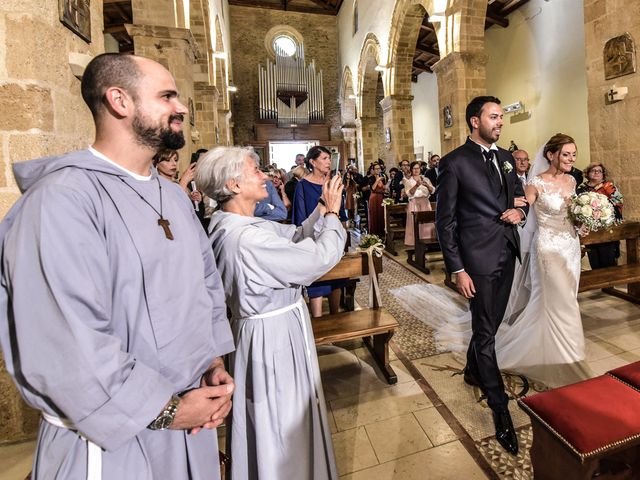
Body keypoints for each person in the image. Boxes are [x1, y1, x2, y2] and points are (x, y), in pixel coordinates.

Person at [0, 53, 235, 478]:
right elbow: (66, 342)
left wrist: (212, 364)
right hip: (112, 440)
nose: (180, 107)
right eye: (166, 96)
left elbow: (205, 286)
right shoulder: (62, 199)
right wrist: (166, 411)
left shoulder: (175, 196)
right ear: (119, 101)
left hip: (190, 419)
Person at [198, 146, 344, 480]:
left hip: (270, 330)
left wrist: (322, 208)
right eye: (255, 170)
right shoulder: (244, 239)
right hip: (273, 340)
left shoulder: (237, 224)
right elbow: (314, 260)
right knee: (282, 421)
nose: (265, 175)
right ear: (234, 184)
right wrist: (334, 217)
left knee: (285, 418)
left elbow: (292, 237)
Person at [436, 95, 527, 456]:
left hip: (507, 250)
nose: (500, 122)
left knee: (490, 323)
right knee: (486, 331)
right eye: (494, 116)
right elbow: (445, 223)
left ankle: (474, 370)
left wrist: (518, 214)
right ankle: (499, 407)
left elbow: (518, 197)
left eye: (501, 117)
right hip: (477, 260)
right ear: (475, 121)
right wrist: (457, 268)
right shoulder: (454, 163)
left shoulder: (505, 158)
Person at [496, 134, 591, 387]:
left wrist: (585, 221)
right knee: (561, 302)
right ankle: (569, 358)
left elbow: (572, 214)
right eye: (566, 154)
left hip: (570, 245)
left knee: (567, 299)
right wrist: (512, 208)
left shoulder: (572, 180)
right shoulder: (536, 182)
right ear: (551, 155)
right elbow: (525, 205)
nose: (571, 159)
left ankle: (553, 350)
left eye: (573, 154)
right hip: (548, 248)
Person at [292, 146, 346, 317]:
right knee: (317, 281)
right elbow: (300, 217)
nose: (329, 162)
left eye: (329, 158)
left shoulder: (331, 184)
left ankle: (335, 316)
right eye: (324, 158)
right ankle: (317, 320)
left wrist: (343, 234)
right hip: (313, 237)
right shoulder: (303, 186)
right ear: (312, 162)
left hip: (333, 232)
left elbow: (341, 211)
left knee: (337, 278)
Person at [577, 163, 624, 268]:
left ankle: (609, 284)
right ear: (588, 173)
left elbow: (618, 202)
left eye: (599, 171)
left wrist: (603, 210)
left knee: (608, 261)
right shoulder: (582, 187)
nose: (596, 173)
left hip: (606, 228)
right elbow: (578, 204)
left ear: (603, 174)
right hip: (589, 229)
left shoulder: (609, 186)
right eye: (593, 170)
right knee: (594, 262)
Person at [402, 161, 435, 246]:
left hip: (425, 202)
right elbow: (409, 193)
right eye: (414, 168)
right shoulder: (408, 181)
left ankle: (428, 240)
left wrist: (427, 185)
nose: (416, 170)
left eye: (418, 168)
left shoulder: (426, 179)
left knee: (427, 223)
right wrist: (416, 185)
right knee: (414, 223)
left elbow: (432, 191)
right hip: (414, 203)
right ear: (411, 169)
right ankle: (414, 242)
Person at [368, 162, 386, 236]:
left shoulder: (383, 177)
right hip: (374, 197)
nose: (378, 170)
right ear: (373, 170)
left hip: (381, 197)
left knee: (381, 215)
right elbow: (373, 188)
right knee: (374, 215)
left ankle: (381, 233)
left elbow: (384, 188)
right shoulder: (371, 178)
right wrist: (377, 180)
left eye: (379, 168)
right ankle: (374, 234)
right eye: (376, 169)